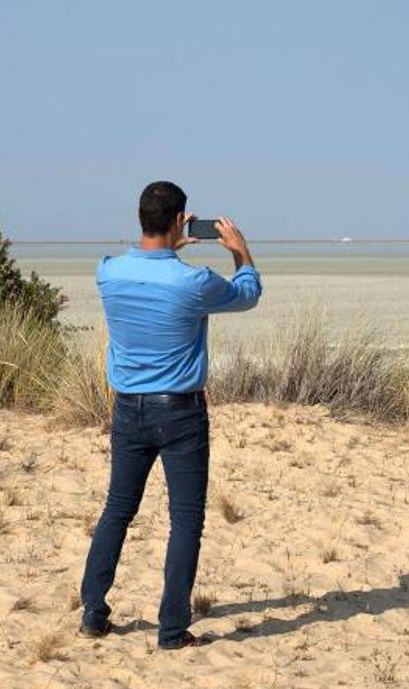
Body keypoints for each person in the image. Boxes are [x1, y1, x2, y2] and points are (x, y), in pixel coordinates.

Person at [79, 181, 262, 650]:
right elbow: (247, 294)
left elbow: (146, 263)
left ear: (141, 218)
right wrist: (241, 253)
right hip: (180, 413)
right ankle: (172, 629)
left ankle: (94, 613)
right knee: (184, 521)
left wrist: (168, 243)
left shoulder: (108, 273)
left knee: (118, 510)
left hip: (127, 409)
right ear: (181, 220)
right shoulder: (193, 282)